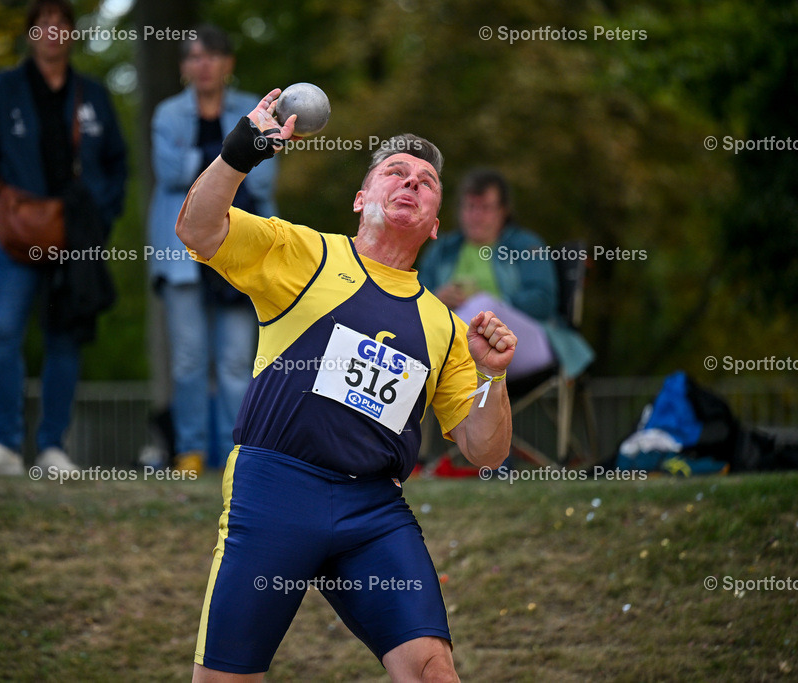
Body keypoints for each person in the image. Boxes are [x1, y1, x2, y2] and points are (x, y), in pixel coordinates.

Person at [177, 91, 516, 681]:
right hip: (275, 488)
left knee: (434, 672)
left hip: (372, 511)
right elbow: (198, 229)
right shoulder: (303, 253)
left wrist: (492, 375)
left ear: (436, 225)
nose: (410, 182)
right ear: (362, 199)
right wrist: (239, 152)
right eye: (395, 172)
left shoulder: (445, 326)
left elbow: (487, 450)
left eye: (426, 181)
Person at [0, 0, 127, 476]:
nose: (52, 32)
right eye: (43, 24)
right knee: (1, 330)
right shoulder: (5, 89)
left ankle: (53, 448)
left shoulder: (92, 94)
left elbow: (118, 161)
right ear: (30, 34)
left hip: (74, 238)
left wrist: (103, 215)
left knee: (65, 339)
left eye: (61, 24)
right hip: (17, 236)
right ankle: (7, 447)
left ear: (73, 34)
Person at [147, 25, 279, 475]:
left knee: (235, 362)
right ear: (184, 67)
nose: (202, 65)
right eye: (193, 57)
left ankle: (234, 454)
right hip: (180, 250)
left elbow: (262, 180)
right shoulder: (166, 114)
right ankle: (189, 451)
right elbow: (167, 172)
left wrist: (207, 162)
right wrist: (235, 157)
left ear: (228, 64)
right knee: (187, 359)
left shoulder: (254, 110)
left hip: (240, 246)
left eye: (211, 56)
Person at [419, 168, 593, 381]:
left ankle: (433, 360)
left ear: (503, 211)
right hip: (457, 341)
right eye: (470, 207)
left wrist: (494, 303)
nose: (476, 216)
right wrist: (437, 298)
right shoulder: (442, 249)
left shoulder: (527, 245)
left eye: (485, 207)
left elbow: (543, 301)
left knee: (483, 310)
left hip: (526, 340)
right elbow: (414, 300)